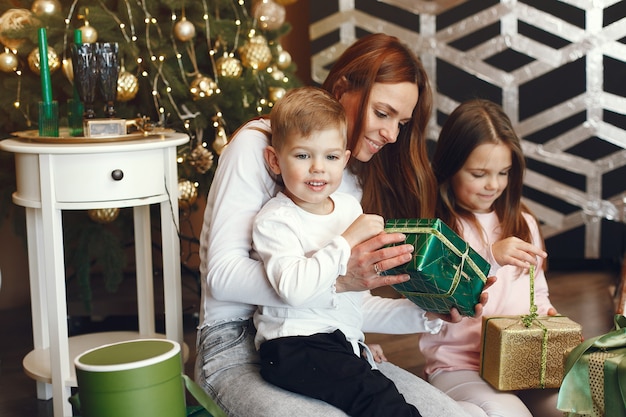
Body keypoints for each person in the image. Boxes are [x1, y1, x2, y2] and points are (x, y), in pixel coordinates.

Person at [195, 33, 484, 417]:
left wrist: (428, 314)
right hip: (235, 344)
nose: (392, 135)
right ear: (342, 88)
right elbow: (223, 276)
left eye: (401, 122)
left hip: (331, 344)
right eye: (382, 114)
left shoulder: (344, 184)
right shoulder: (258, 148)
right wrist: (337, 279)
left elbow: (351, 303)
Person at [252, 86, 433, 417]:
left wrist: (430, 313)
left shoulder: (349, 207)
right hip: (293, 344)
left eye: (331, 157)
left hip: (340, 344)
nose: (318, 168)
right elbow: (293, 289)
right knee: (377, 397)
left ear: (344, 159)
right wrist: (346, 240)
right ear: (275, 161)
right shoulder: (275, 219)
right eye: (303, 156)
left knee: (381, 390)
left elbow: (356, 296)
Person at [419, 98, 561, 417]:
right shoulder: (437, 230)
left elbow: (537, 291)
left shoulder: (522, 222)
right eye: (479, 173)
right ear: (451, 167)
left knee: (577, 405)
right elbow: (443, 305)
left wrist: (550, 317)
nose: (493, 185)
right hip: (459, 366)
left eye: (503, 173)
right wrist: (491, 257)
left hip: (521, 363)